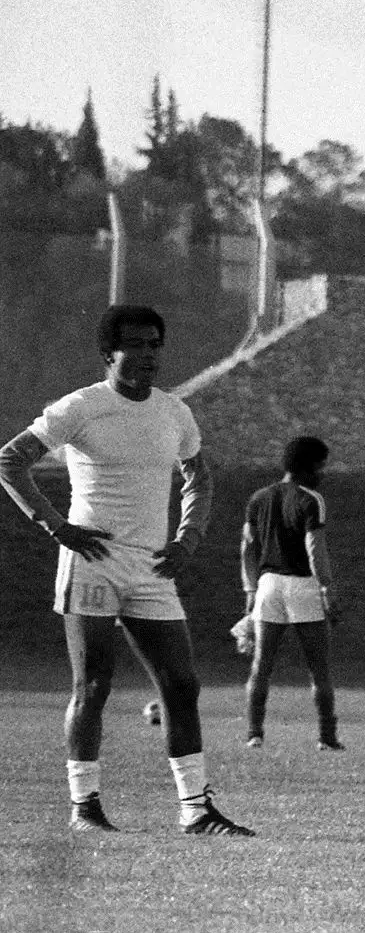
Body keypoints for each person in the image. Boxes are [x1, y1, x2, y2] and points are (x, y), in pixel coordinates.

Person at [0, 304, 255, 835]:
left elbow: (198, 477)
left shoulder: (173, 412)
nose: (147, 355)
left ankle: (195, 810)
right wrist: (54, 525)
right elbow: (10, 461)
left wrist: (190, 536)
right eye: (135, 345)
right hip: (92, 566)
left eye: (154, 345)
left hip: (152, 571)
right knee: (93, 685)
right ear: (108, 354)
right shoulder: (82, 406)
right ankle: (85, 806)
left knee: (182, 685)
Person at [240, 435, 343, 750]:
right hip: (303, 585)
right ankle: (326, 738)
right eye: (321, 466)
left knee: (261, 665)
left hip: (268, 585)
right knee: (318, 668)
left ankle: (254, 734)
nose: (323, 473)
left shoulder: (259, 498)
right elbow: (315, 548)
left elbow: (247, 546)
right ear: (309, 466)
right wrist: (327, 588)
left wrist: (250, 589)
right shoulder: (311, 499)